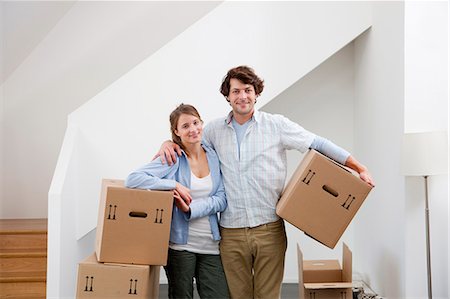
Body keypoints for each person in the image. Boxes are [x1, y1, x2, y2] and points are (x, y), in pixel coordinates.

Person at [157, 66, 375, 299]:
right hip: (231, 233)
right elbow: (189, 144)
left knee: (267, 296)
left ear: (256, 93)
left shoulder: (276, 125)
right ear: (228, 96)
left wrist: (359, 167)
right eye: (236, 91)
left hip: (269, 229)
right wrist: (167, 144)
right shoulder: (212, 130)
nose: (242, 96)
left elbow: (317, 143)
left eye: (248, 90)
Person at [125, 104, 229, 299]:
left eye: (196, 123)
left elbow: (222, 199)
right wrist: (173, 185)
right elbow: (133, 179)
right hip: (180, 247)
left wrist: (191, 209)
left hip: (211, 245)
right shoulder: (172, 158)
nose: (193, 129)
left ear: (202, 123)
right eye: (185, 126)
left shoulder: (214, 156)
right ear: (176, 132)